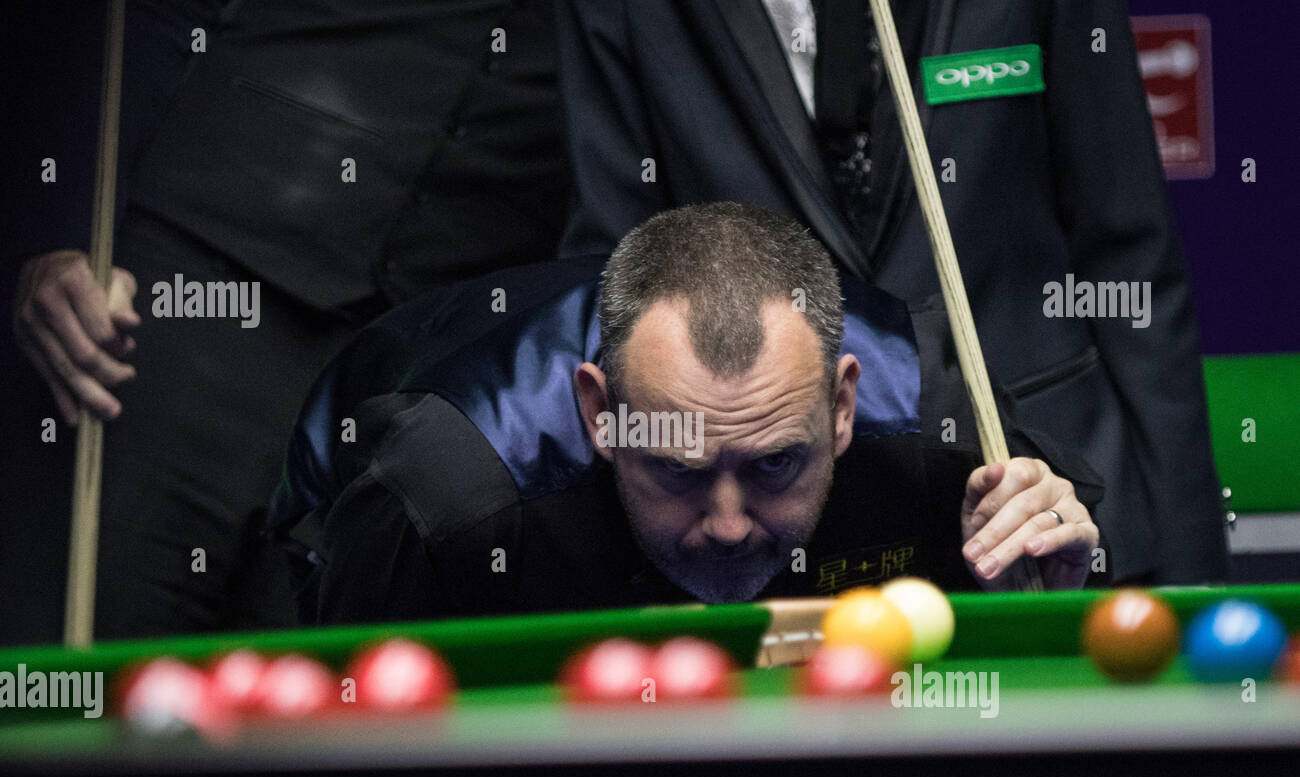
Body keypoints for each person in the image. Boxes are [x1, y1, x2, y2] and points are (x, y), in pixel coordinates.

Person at [553, 0, 1227, 586]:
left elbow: (1127, 252)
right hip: (775, 523)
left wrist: (1190, 565)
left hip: (1038, 499)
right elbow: (612, 271)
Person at [7, 0, 570, 639]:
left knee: (308, 705)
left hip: (435, 361)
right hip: (195, 271)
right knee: (77, 659)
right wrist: (63, 228)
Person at [273, 204, 1103, 623]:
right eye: (678, 467)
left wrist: (1038, 591)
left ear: (842, 405)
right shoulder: (447, 496)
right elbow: (348, 753)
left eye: (776, 463)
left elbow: (1057, 578)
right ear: (600, 413)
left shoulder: (935, 429)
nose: (731, 525)